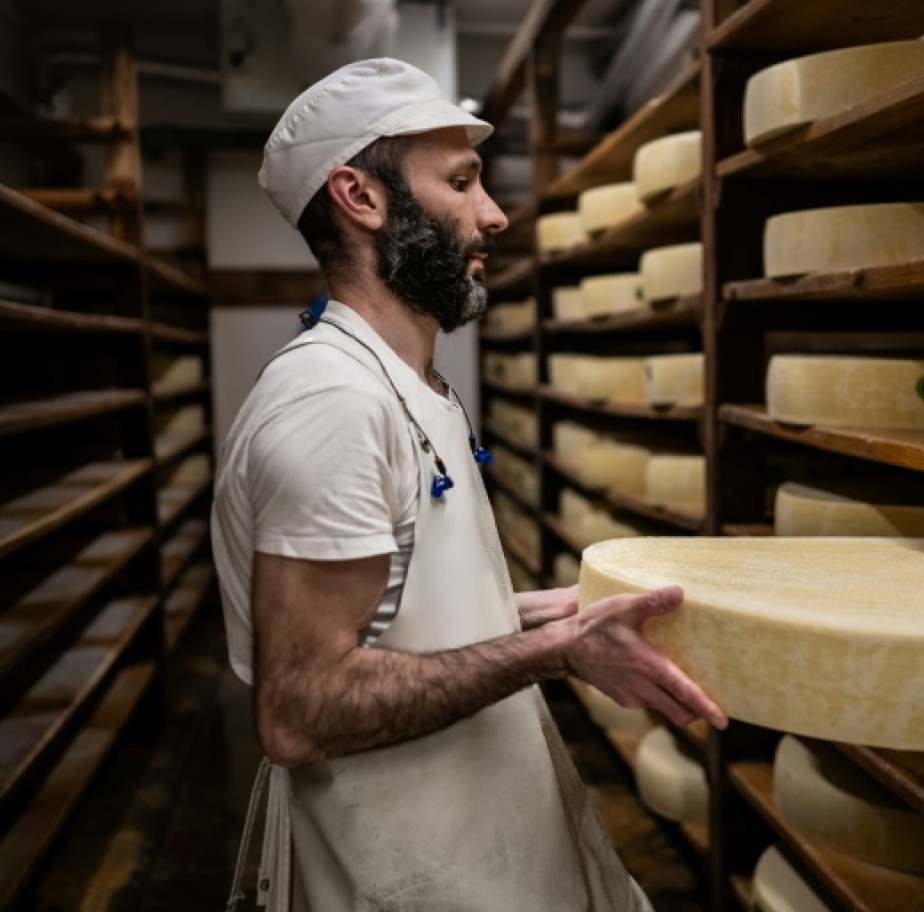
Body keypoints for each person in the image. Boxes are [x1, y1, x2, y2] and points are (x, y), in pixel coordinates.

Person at [210, 57, 726, 912]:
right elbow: (301, 710)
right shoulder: (331, 404)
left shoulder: (412, 385)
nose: (494, 214)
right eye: (460, 183)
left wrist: (546, 614)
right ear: (361, 198)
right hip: (397, 867)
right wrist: (556, 654)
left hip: (476, 837)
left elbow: (392, 618)